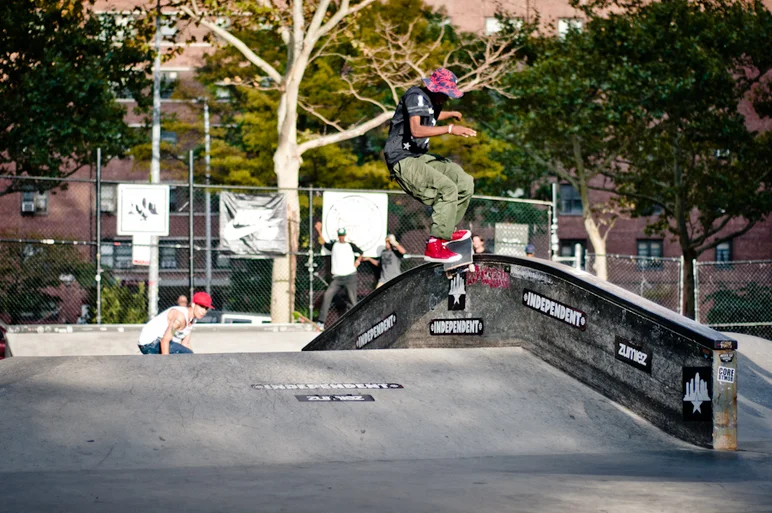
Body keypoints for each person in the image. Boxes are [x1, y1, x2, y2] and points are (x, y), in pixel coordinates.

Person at [383, 68, 477, 264]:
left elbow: (431, 115)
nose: (445, 99)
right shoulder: (415, 96)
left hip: (419, 156)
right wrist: (451, 129)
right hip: (402, 158)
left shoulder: (431, 101)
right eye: (444, 95)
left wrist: (450, 114)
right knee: (447, 187)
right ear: (433, 89)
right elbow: (417, 130)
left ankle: (447, 231)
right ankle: (435, 244)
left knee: (465, 182)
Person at [315, 222, 365, 329]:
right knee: (327, 295)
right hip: (337, 277)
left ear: (345, 236)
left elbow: (361, 252)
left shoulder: (350, 245)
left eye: (343, 236)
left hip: (350, 276)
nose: (341, 238)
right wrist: (319, 230)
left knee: (352, 300)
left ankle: (355, 322)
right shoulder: (334, 245)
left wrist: (357, 262)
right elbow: (323, 242)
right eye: (340, 236)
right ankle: (321, 322)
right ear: (338, 236)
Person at [138, 291, 214, 354]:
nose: (203, 311)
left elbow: (185, 343)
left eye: (206, 308)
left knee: (189, 355)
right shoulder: (179, 318)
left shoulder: (192, 320)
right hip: (149, 343)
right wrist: (166, 364)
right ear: (193, 305)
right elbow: (165, 341)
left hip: (157, 343)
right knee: (186, 354)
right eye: (201, 306)